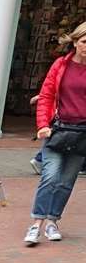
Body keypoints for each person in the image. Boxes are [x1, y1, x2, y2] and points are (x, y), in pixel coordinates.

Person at [24, 19, 86, 247]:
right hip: (58, 130)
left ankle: (52, 222)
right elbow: (47, 95)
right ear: (75, 42)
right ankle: (36, 224)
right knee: (50, 177)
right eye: (84, 41)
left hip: (82, 134)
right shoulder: (61, 65)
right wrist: (42, 125)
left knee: (66, 182)